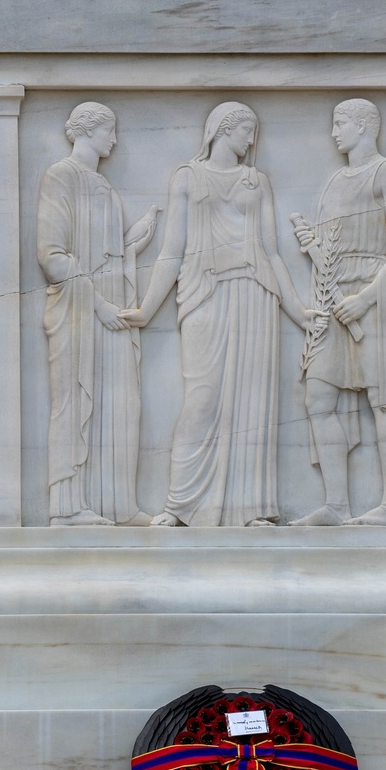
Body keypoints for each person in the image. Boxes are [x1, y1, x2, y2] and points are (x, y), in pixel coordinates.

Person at [119, 102, 310, 527]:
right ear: (223, 129)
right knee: (201, 399)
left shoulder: (256, 181)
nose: (251, 139)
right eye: (246, 129)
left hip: (254, 294)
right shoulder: (188, 178)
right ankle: (179, 506)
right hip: (204, 292)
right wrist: (147, 308)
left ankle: (253, 508)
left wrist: (296, 309)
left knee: (252, 403)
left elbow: (272, 252)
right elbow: (171, 251)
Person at [291, 99, 386, 526]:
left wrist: (366, 298)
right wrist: (311, 245)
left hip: (372, 298)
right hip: (332, 298)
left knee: (384, 403)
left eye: (340, 123)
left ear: (365, 125)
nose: (334, 133)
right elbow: (333, 254)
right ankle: (336, 505)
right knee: (317, 399)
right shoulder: (334, 181)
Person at [38, 101, 159, 525]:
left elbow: (105, 253)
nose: (115, 139)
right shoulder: (61, 176)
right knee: (76, 404)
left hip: (110, 308)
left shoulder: (102, 185)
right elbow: (53, 257)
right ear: (88, 131)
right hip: (79, 310)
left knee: (123, 404)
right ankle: (68, 508)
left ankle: (120, 507)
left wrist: (132, 246)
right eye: (110, 130)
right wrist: (99, 304)